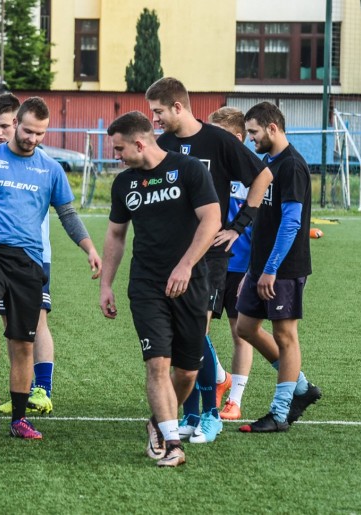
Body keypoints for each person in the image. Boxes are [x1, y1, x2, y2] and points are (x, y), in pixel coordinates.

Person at [0, 97, 101, 440]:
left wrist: (89, 248)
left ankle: (19, 420)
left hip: (29, 260)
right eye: (27, 130)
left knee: (23, 342)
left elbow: (68, 215)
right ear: (17, 123)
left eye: (40, 133)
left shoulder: (51, 169)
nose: (32, 138)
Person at [146, 77, 273, 443]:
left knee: (195, 331)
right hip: (171, 255)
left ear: (178, 107)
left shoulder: (217, 141)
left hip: (211, 254)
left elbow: (263, 176)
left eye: (158, 112)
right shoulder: (163, 144)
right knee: (179, 336)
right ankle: (189, 415)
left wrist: (238, 225)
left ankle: (211, 414)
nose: (155, 120)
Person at [100, 111, 220, 467]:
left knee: (186, 372)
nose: (116, 156)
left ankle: (157, 421)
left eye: (119, 149)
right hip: (147, 285)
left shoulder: (189, 170)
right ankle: (172, 442)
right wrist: (106, 284)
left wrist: (185, 266)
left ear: (140, 143)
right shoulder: (124, 184)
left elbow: (211, 220)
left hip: (192, 283)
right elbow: (116, 235)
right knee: (157, 364)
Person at [237, 102, 322, 433]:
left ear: (272, 128)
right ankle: (300, 387)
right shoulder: (267, 163)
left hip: (283, 269)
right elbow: (263, 220)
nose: (250, 139)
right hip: (261, 267)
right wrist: (251, 271)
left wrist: (271, 268)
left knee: (285, 335)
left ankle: (280, 412)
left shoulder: (292, 167)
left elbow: (290, 223)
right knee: (245, 328)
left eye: (254, 132)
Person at [0, 93, 58, 416]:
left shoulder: (41, 165)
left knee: (36, 321)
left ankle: (42, 389)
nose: (0, 132)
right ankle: (15, 391)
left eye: (5, 125)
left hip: (33, 255)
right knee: (8, 325)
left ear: (18, 121)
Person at [206, 106, 269, 420]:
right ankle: (219, 377)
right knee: (194, 330)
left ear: (238, 138)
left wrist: (253, 271)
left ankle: (235, 399)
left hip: (241, 268)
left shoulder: (253, 174)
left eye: (221, 136)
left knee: (240, 333)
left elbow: (263, 228)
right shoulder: (210, 169)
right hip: (211, 263)